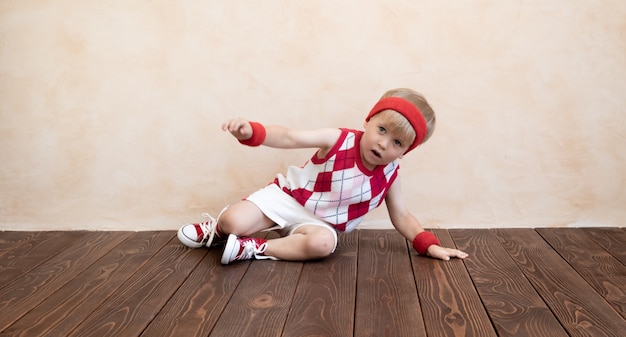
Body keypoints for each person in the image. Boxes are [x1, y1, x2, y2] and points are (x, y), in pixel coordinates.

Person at [178, 88, 468, 264]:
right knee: (234, 221)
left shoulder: (390, 175)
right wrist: (253, 132)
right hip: (289, 199)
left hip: (320, 224)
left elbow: (402, 216)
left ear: (405, 152)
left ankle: (254, 248)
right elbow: (290, 137)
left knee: (322, 245)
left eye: (397, 143)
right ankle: (219, 230)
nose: (383, 143)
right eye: (382, 130)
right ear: (368, 121)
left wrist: (427, 244)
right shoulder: (338, 139)